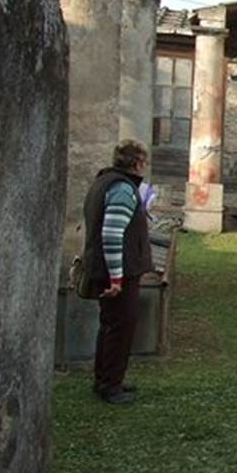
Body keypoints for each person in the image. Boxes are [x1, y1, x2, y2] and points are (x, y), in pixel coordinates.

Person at [82, 139, 153, 404]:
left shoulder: (104, 182)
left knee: (110, 325)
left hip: (106, 269)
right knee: (121, 327)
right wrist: (116, 277)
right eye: (143, 162)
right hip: (117, 272)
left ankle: (105, 379)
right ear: (136, 163)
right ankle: (111, 386)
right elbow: (111, 234)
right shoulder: (122, 188)